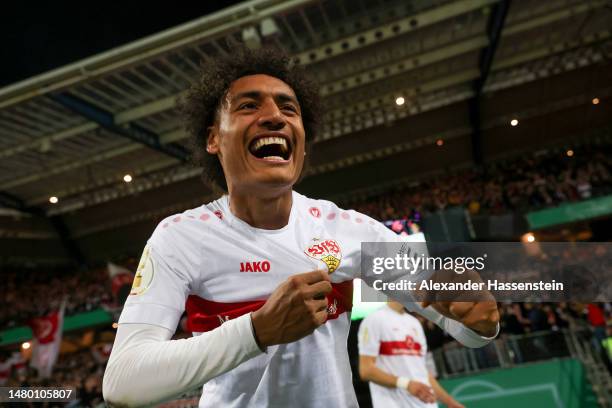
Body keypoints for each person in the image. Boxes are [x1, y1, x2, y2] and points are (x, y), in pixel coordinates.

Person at [102, 47, 499, 407]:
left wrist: (480, 320)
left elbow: (453, 315)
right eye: (248, 106)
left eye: (289, 109)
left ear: (303, 143)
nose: (274, 116)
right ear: (213, 139)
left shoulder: (349, 230)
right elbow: (123, 382)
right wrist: (257, 330)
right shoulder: (181, 237)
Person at [358, 301, 465, 408]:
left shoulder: (414, 323)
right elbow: (366, 370)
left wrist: (450, 403)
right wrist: (406, 384)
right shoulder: (374, 319)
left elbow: (423, 373)